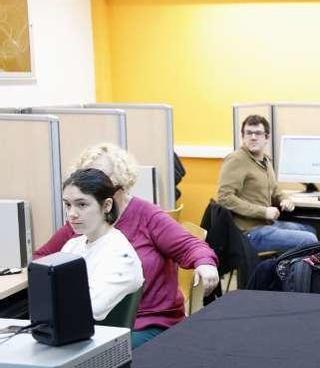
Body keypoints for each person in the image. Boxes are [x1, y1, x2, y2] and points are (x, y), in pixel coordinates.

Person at [36, 143, 219, 348]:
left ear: (120, 187)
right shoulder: (82, 223)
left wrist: (205, 263)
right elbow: (42, 258)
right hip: (97, 324)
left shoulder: (146, 215)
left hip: (150, 321)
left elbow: (190, 245)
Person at [216, 114, 318, 252]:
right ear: (243, 136)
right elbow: (224, 198)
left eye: (258, 133)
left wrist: (284, 199)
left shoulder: (265, 160)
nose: (253, 137)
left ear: (267, 137)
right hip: (248, 232)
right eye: (248, 133)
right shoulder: (236, 160)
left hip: (266, 224)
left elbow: (275, 189)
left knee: (310, 230)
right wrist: (263, 212)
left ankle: (291, 271)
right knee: (309, 239)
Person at [58, 168, 144, 322]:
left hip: (95, 340)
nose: (72, 213)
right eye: (68, 205)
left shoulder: (120, 255)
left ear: (107, 206)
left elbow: (90, 308)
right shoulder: (72, 246)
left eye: (82, 204)